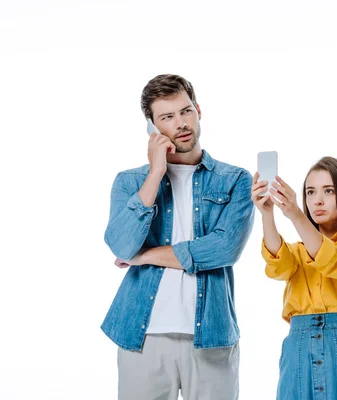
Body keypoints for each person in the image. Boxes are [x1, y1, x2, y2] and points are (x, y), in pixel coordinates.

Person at [102, 74, 254, 400]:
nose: (181, 123)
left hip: (211, 335)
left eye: (185, 111)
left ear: (198, 110)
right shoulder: (130, 183)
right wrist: (155, 172)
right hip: (142, 335)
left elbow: (224, 249)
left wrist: (143, 256)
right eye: (167, 117)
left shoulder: (235, 180)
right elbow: (121, 244)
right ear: (152, 127)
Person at [253, 156, 337, 399]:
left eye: (329, 191)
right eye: (310, 192)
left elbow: (331, 259)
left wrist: (295, 215)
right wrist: (267, 214)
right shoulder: (298, 251)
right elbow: (278, 264)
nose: (317, 200)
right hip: (299, 345)